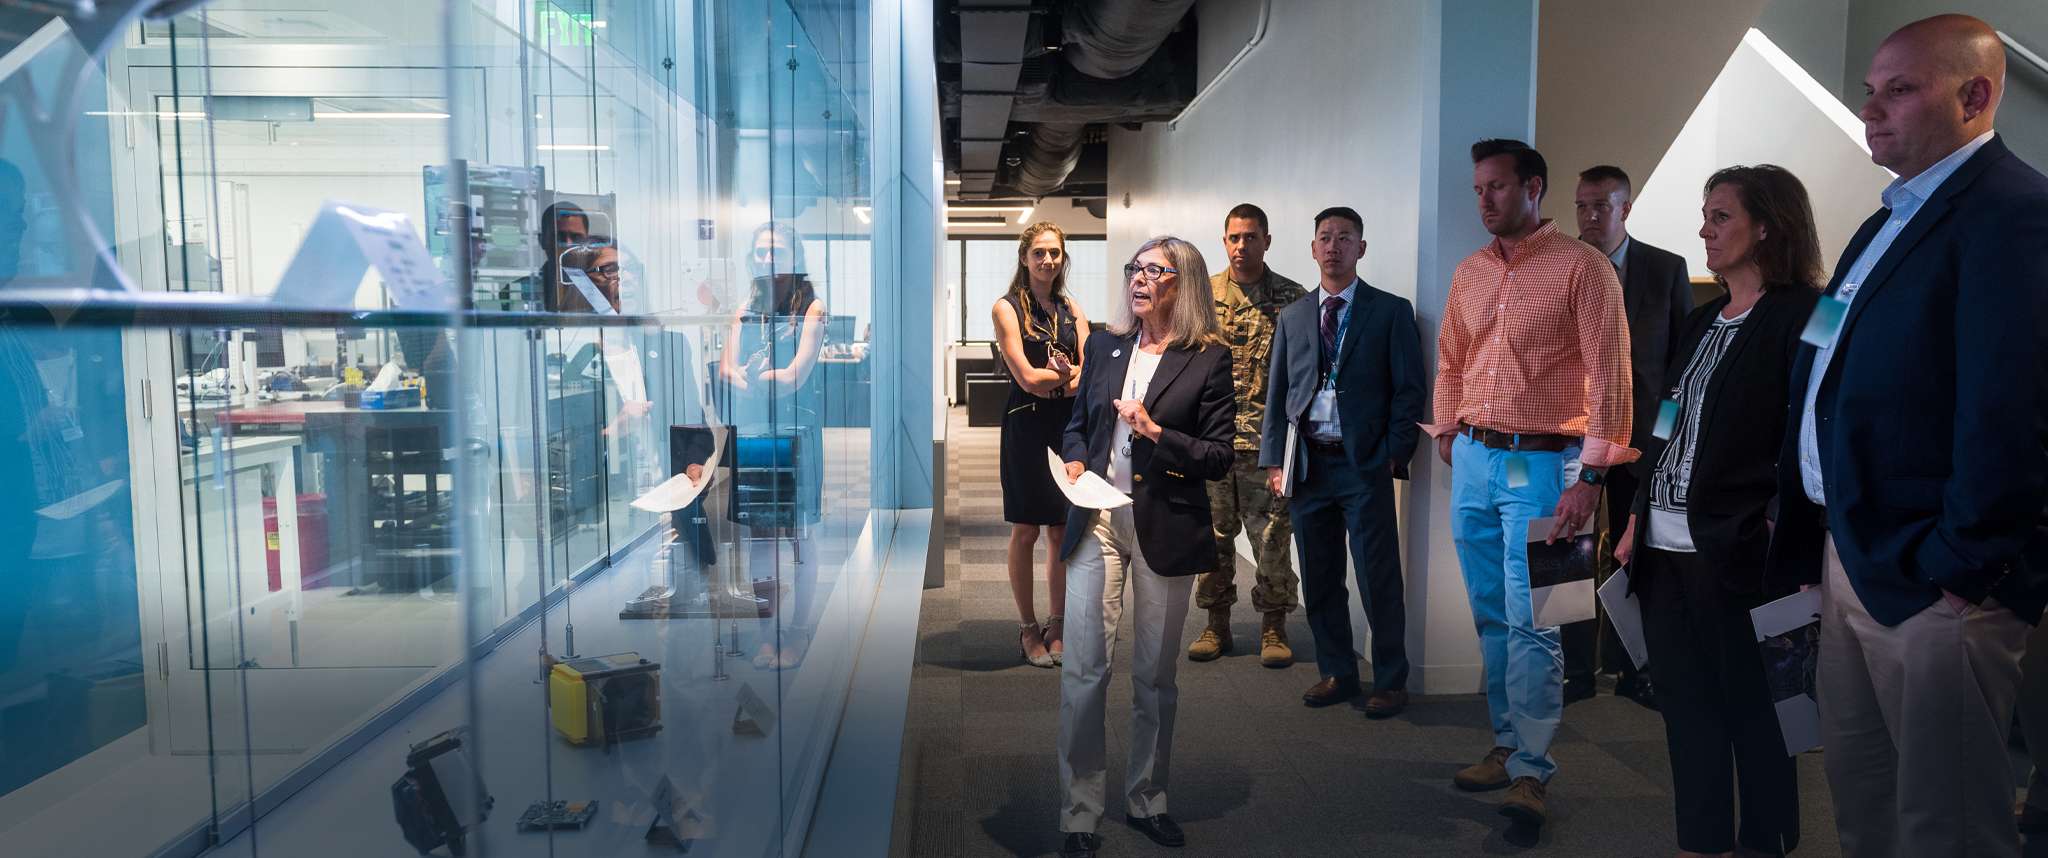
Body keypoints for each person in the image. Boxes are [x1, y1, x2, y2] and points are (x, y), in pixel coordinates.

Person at [1765, 15, 2048, 858]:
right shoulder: (1885, 218)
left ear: (1975, 95)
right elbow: (1829, 362)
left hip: (1934, 578)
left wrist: (1962, 568)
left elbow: (2012, 411)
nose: (1873, 111)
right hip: (1852, 550)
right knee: (1865, 798)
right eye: (1869, 92)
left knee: (1947, 822)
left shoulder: (2014, 213)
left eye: (1900, 90)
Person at [1613, 164, 1821, 858]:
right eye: (1705, 215)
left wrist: (1779, 526)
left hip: (1740, 553)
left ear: (1767, 225)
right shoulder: (1703, 320)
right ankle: (1701, 843)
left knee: (1758, 716)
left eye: (1721, 216)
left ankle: (1767, 841)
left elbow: (1815, 433)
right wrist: (1640, 509)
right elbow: (1668, 423)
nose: (1704, 228)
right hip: (1666, 552)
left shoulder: (1804, 316)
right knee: (1688, 712)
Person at [1426, 138, 1634, 831]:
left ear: (1534, 188)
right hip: (1481, 461)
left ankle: (1533, 771)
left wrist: (1595, 478)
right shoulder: (1471, 272)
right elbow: (1452, 357)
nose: (1485, 200)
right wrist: (1448, 429)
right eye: (1478, 189)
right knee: (1490, 610)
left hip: (1549, 465)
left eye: (1498, 188)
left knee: (1539, 616)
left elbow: (1610, 375)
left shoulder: (1585, 268)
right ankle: (1507, 741)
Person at [1053, 237, 1234, 858]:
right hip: (1097, 517)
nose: (1140, 279)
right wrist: (1076, 460)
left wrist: (1156, 432)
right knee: (1084, 667)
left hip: (1166, 523)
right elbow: (1079, 425)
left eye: (1155, 271)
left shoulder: (1208, 358)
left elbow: (1217, 457)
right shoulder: (1104, 344)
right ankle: (1079, 812)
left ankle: (1147, 798)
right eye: (1135, 268)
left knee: (1155, 676)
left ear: (1182, 284)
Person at [1258, 206, 1424, 714]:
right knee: (1320, 574)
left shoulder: (1391, 311)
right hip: (1308, 465)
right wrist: (1274, 459)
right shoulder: (1293, 316)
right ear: (1312, 249)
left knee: (1377, 577)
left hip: (1362, 466)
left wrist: (1393, 454)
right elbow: (1279, 391)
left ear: (1361, 248)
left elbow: (1408, 390)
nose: (1333, 246)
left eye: (1344, 238)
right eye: (1325, 238)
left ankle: (1391, 679)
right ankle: (1337, 672)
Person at [1564, 163, 1693, 709]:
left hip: (1641, 441)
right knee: (1566, 550)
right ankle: (1574, 670)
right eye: (1582, 206)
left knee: (1635, 554)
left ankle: (1632, 665)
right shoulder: (1560, 268)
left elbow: (1680, 368)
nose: (1591, 216)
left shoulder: (1665, 269)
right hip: (1572, 439)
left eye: (1602, 206)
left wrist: (1666, 440)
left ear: (1626, 208)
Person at [1188, 203, 1306, 667]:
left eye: (1251, 237)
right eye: (1234, 238)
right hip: (1212, 442)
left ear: (1267, 241)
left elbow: (1302, 374)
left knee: (1273, 538)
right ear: (1224, 242)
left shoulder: (1293, 299)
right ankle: (1215, 625)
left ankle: (1274, 626)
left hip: (1266, 446)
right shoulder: (1201, 297)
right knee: (1213, 539)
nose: (1242, 246)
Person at [720, 221, 828, 671]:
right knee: (761, 533)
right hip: (754, 430)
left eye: (777, 250)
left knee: (798, 533)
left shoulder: (813, 308)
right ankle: (767, 630)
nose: (768, 259)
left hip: (797, 432)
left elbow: (796, 375)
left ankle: (798, 630)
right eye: (761, 251)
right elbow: (726, 366)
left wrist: (758, 379)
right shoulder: (746, 305)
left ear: (794, 255)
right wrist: (742, 376)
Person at [992, 221, 1088, 668]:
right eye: (1040, 253)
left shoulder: (1072, 307)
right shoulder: (1006, 308)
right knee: (1026, 529)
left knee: (1059, 531)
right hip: (1026, 429)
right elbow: (1027, 381)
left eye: (1055, 253)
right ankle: (1028, 627)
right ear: (1025, 258)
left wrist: (1063, 380)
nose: (1048, 260)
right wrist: (1063, 378)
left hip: (1067, 429)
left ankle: (1057, 623)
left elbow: (1088, 378)